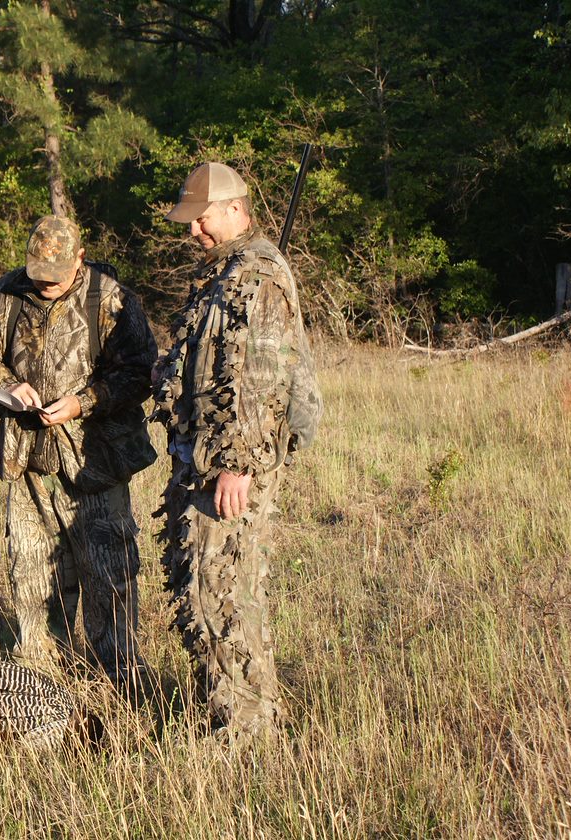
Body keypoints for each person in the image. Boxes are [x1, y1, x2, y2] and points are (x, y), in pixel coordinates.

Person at [152, 162, 322, 738]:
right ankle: (224, 712)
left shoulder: (259, 275)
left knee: (223, 591)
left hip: (229, 465)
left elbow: (261, 382)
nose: (191, 232)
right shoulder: (224, 270)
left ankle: (246, 732)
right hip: (201, 457)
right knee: (197, 585)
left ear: (234, 209)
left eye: (200, 220)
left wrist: (236, 465)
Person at [0, 215, 158, 692]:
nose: (44, 284)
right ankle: (39, 687)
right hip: (26, 460)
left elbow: (141, 373)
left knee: (108, 573)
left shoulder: (111, 299)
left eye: (56, 276)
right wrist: (6, 388)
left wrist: (83, 402)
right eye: (37, 274)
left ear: (80, 260)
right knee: (30, 572)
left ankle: (118, 689)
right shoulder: (4, 293)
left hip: (95, 462)